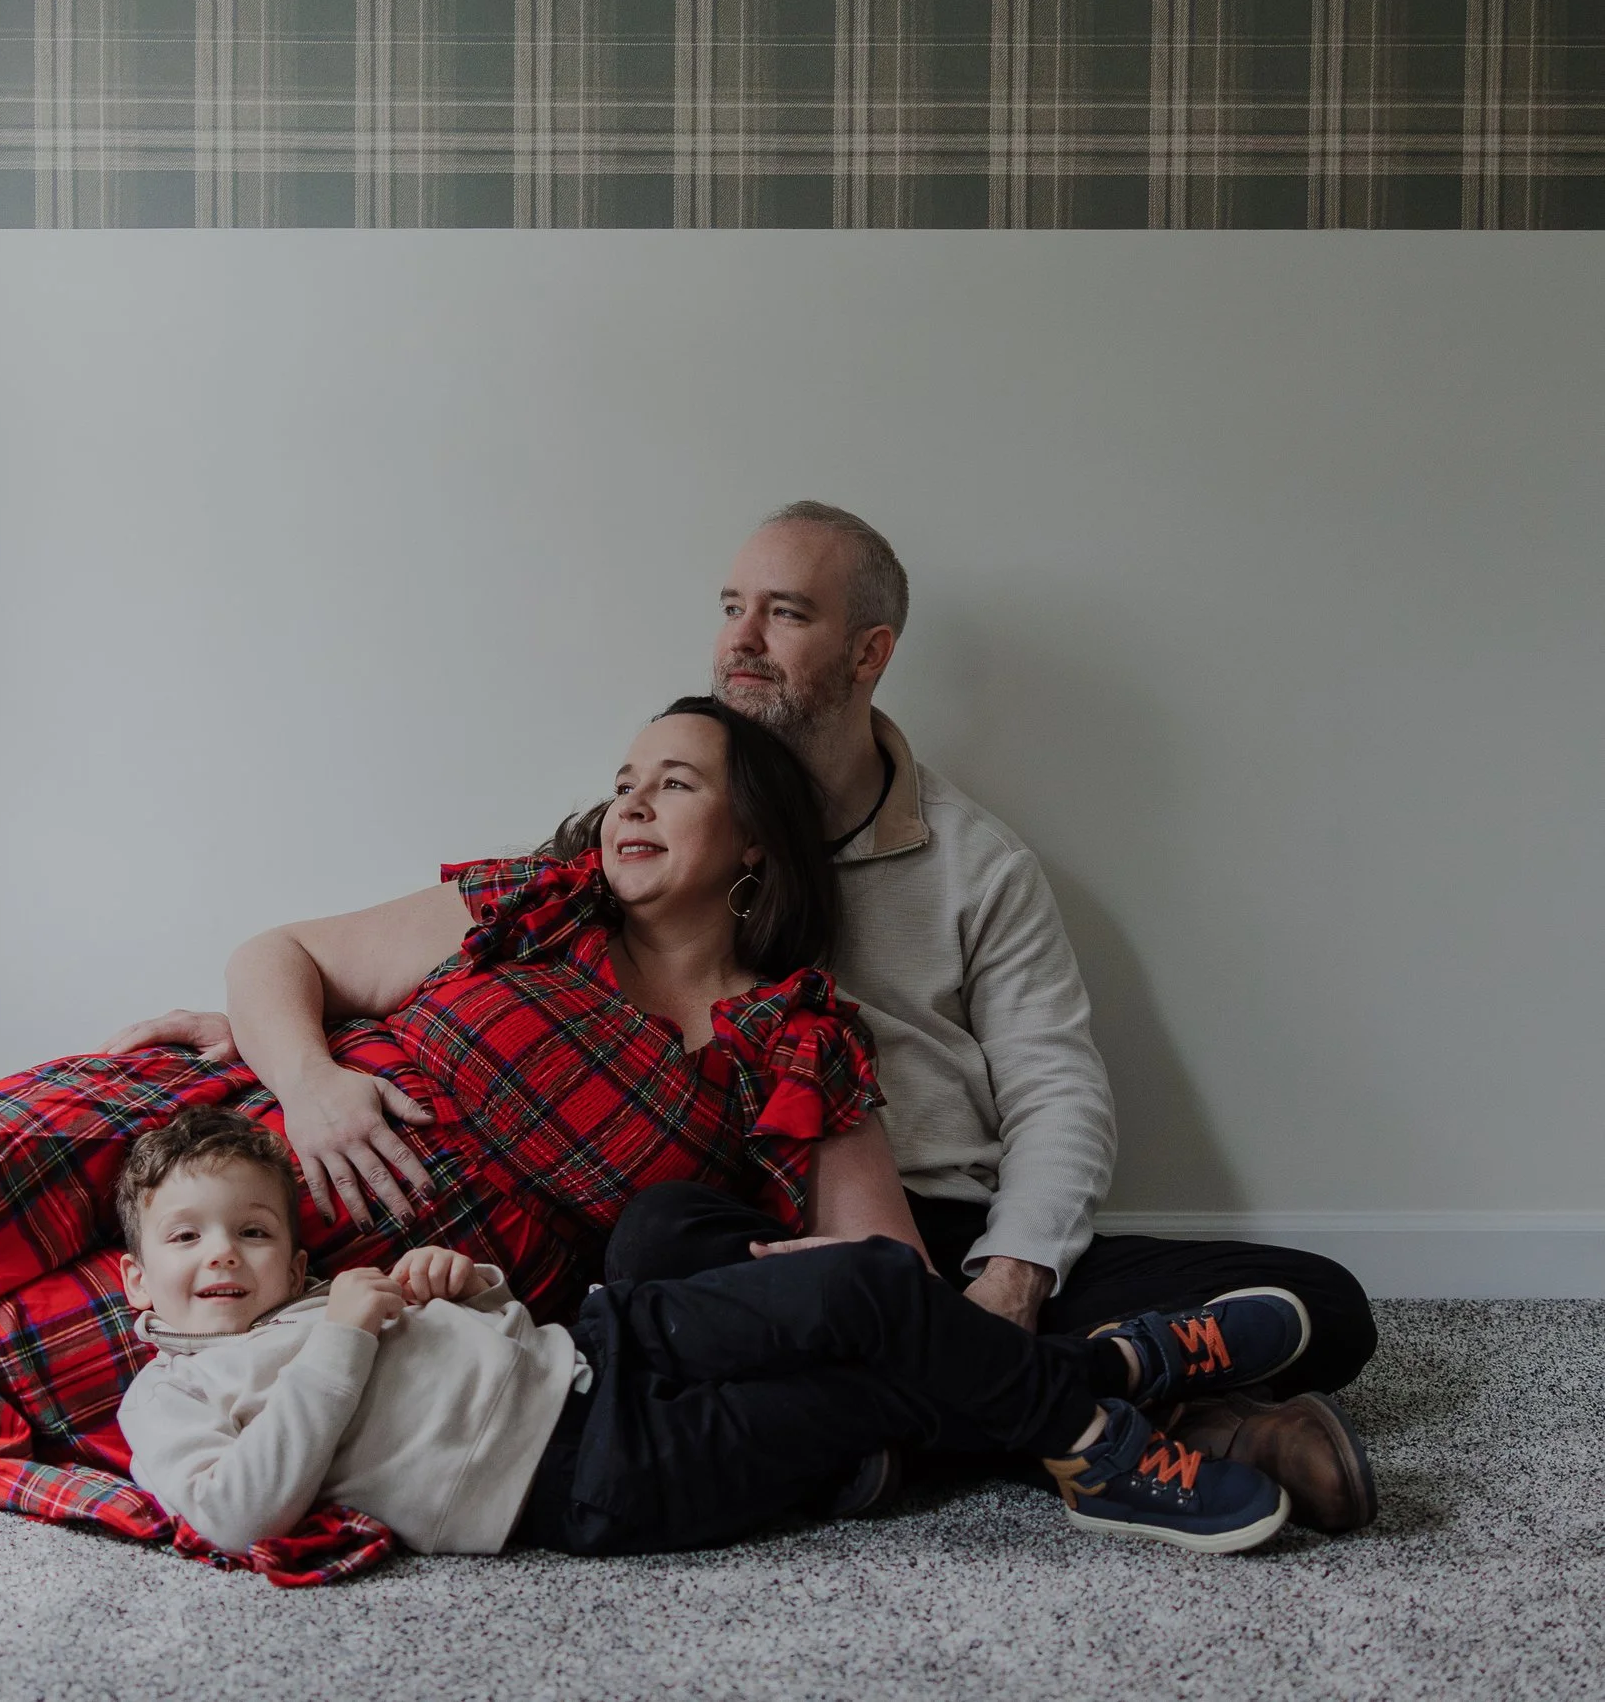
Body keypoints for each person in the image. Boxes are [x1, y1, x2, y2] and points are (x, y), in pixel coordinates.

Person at [113, 501, 1380, 1533]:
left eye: (786, 613)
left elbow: (1056, 1088)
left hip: (948, 1224)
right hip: (756, 1242)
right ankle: (1140, 1412)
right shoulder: (626, 859)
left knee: (1329, 1299)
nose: (743, 638)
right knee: (664, 1244)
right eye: (731, 607)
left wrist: (1010, 1271)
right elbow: (390, 964)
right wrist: (296, 1053)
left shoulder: (971, 864)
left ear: (868, 650)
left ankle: (1001, 1407)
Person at [0, 698, 903, 1542]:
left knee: (1, 1368)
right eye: (626, 773)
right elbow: (276, 954)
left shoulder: (788, 1038)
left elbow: (882, 1263)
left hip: (377, 1280)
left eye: (677, 780)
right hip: (246, 1122)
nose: (630, 798)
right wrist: (309, 1075)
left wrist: (814, 1279)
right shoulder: (528, 906)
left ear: (757, 844)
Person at [117, 1107, 1308, 1559]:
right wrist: (343, 1342)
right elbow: (233, 1512)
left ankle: (1102, 1379)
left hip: (600, 1340)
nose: (222, 1255)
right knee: (866, 1394)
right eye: (188, 1240)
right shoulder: (163, 1401)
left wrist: (458, 1281)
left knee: (870, 1289)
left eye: (253, 1231)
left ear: (292, 1246)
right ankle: (1102, 1400)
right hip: (578, 1479)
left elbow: (486, 1327)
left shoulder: (341, 1294)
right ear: (137, 1279)